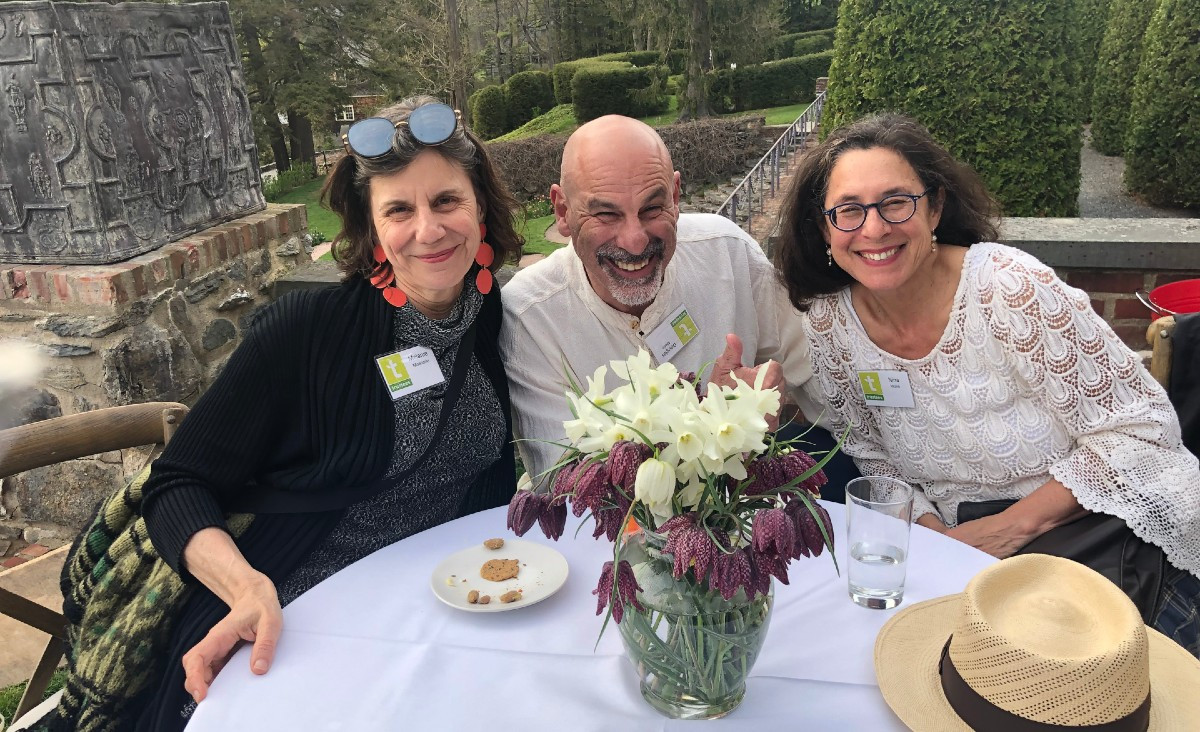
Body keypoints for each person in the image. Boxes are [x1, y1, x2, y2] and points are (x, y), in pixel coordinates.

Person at [46, 96, 523, 730]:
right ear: (372, 227)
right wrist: (246, 589)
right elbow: (177, 484)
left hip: (435, 606)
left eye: (446, 201)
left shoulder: (494, 319)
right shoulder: (304, 333)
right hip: (289, 606)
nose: (428, 230)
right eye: (399, 210)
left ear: (480, 207)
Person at [775, 112, 1200, 655]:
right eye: (849, 210)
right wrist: (932, 535)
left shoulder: (1009, 290)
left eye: (895, 202)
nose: (874, 228)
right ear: (823, 228)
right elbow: (867, 449)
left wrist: (1008, 530)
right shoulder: (831, 324)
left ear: (935, 207)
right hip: (963, 553)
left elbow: (1140, 429)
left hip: (1095, 535)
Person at [499, 115, 853, 494]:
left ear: (675, 197)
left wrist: (769, 391)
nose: (635, 241)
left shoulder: (727, 254)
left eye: (652, 209)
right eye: (605, 213)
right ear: (562, 211)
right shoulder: (530, 316)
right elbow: (575, 494)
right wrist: (714, 429)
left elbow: (828, 385)